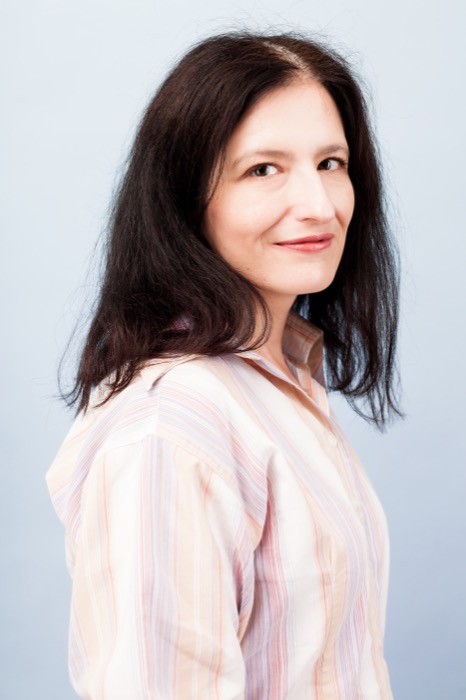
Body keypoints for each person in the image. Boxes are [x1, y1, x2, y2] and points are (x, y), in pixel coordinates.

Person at [47, 31, 401, 699]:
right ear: (186, 198)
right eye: (263, 169)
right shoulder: (172, 426)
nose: (319, 205)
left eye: (331, 162)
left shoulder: (282, 378)